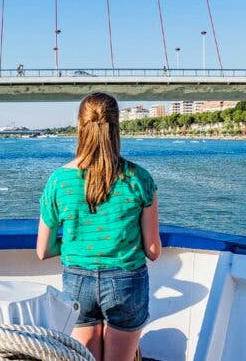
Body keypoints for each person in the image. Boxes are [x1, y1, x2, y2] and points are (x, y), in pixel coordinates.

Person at [36, 92, 161, 361]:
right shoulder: (139, 178)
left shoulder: (58, 181)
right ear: (116, 127)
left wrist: (72, 243)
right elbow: (152, 250)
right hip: (126, 279)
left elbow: (42, 250)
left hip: (78, 279)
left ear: (80, 127)